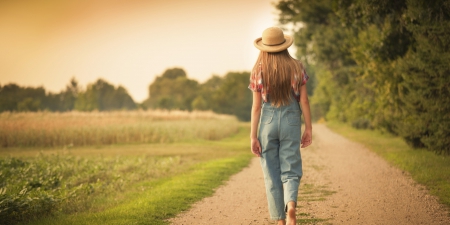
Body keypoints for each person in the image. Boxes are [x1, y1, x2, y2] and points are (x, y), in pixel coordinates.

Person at [249, 27, 312, 225]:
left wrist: (253, 136)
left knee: (271, 172)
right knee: (291, 167)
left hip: (267, 120)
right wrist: (308, 128)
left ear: (264, 48)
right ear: (285, 46)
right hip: (292, 118)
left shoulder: (258, 69)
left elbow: (257, 106)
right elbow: (304, 100)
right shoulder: (297, 67)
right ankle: (291, 204)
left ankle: (280, 221)